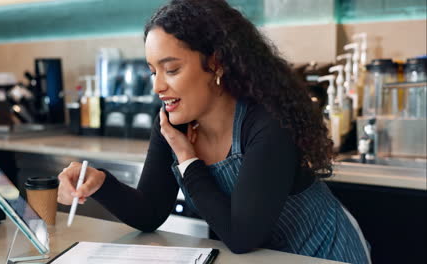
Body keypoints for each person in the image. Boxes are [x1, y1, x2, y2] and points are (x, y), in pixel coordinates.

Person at [57, 0, 371, 263]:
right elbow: (150, 212)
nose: (157, 86)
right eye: (153, 71)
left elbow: (241, 235)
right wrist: (100, 183)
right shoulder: (172, 120)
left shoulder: (266, 123)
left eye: (172, 69)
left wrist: (186, 157)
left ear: (217, 63)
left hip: (325, 253)